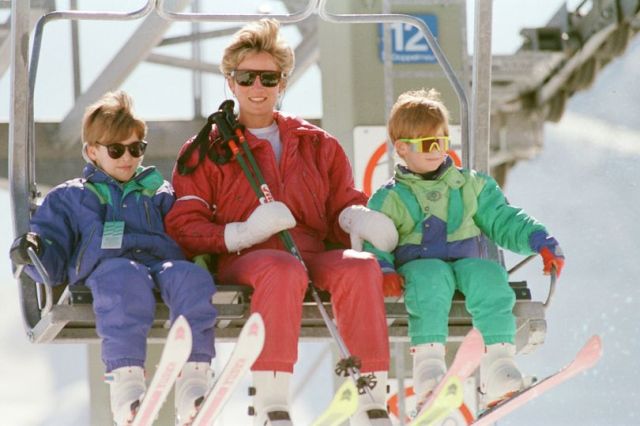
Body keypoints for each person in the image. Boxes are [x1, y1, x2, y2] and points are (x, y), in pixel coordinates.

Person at [165, 19, 397, 426]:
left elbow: (341, 201)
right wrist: (244, 231)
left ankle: (372, 395)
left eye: (268, 77)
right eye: (247, 77)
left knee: (360, 267)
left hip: (310, 250)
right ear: (231, 82)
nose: (258, 87)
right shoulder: (209, 149)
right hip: (247, 255)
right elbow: (184, 224)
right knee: (281, 268)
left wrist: (356, 217)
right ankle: (272, 399)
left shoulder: (316, 143)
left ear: (283, 82)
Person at [8, 91, 217, 426]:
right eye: (116, 150)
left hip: (159, 267)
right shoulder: (72, 197)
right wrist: (35, 249)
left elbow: (187, 231)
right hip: (108, 271)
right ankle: (127, 382)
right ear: (92, 151)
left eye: (136, 149)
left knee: (192, 278)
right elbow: (54, 248)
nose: (127, 158)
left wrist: (211, 246)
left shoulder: (158, 193)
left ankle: (194, 379)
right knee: (124, 277)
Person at [364, 88, 565, 409]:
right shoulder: (390, 198)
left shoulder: (471, 185)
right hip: (418, 266)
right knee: (430, 278)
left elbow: (503, 219)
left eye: (442, 142)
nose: (437, 151)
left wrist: (539, 240)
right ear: (402, 148)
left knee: (490, 276)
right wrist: (384, 269)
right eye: (428, 144)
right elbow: (374, 238)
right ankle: (429, 369)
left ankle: (499, 365)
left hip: (466, 262)